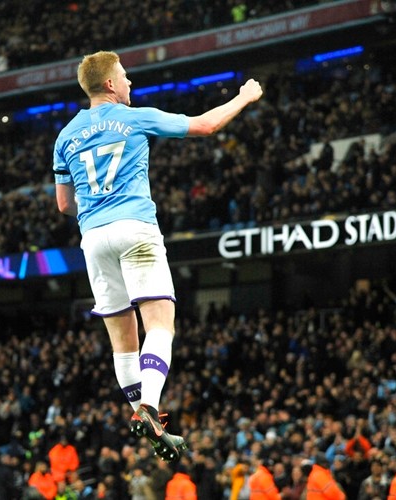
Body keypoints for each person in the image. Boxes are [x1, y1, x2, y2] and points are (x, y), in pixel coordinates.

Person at [54, 50, 262, 462]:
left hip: (93, 237)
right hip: (135, 229)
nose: (130, 83)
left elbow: (63, 205)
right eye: (126, 77)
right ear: (110, 84)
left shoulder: (65, 136)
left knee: (122, 343)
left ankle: (143, 418)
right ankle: (149, 405)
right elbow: (206, 125)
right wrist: (245, 96)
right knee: (160, 323)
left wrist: (98, 208)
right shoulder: (134, 117)